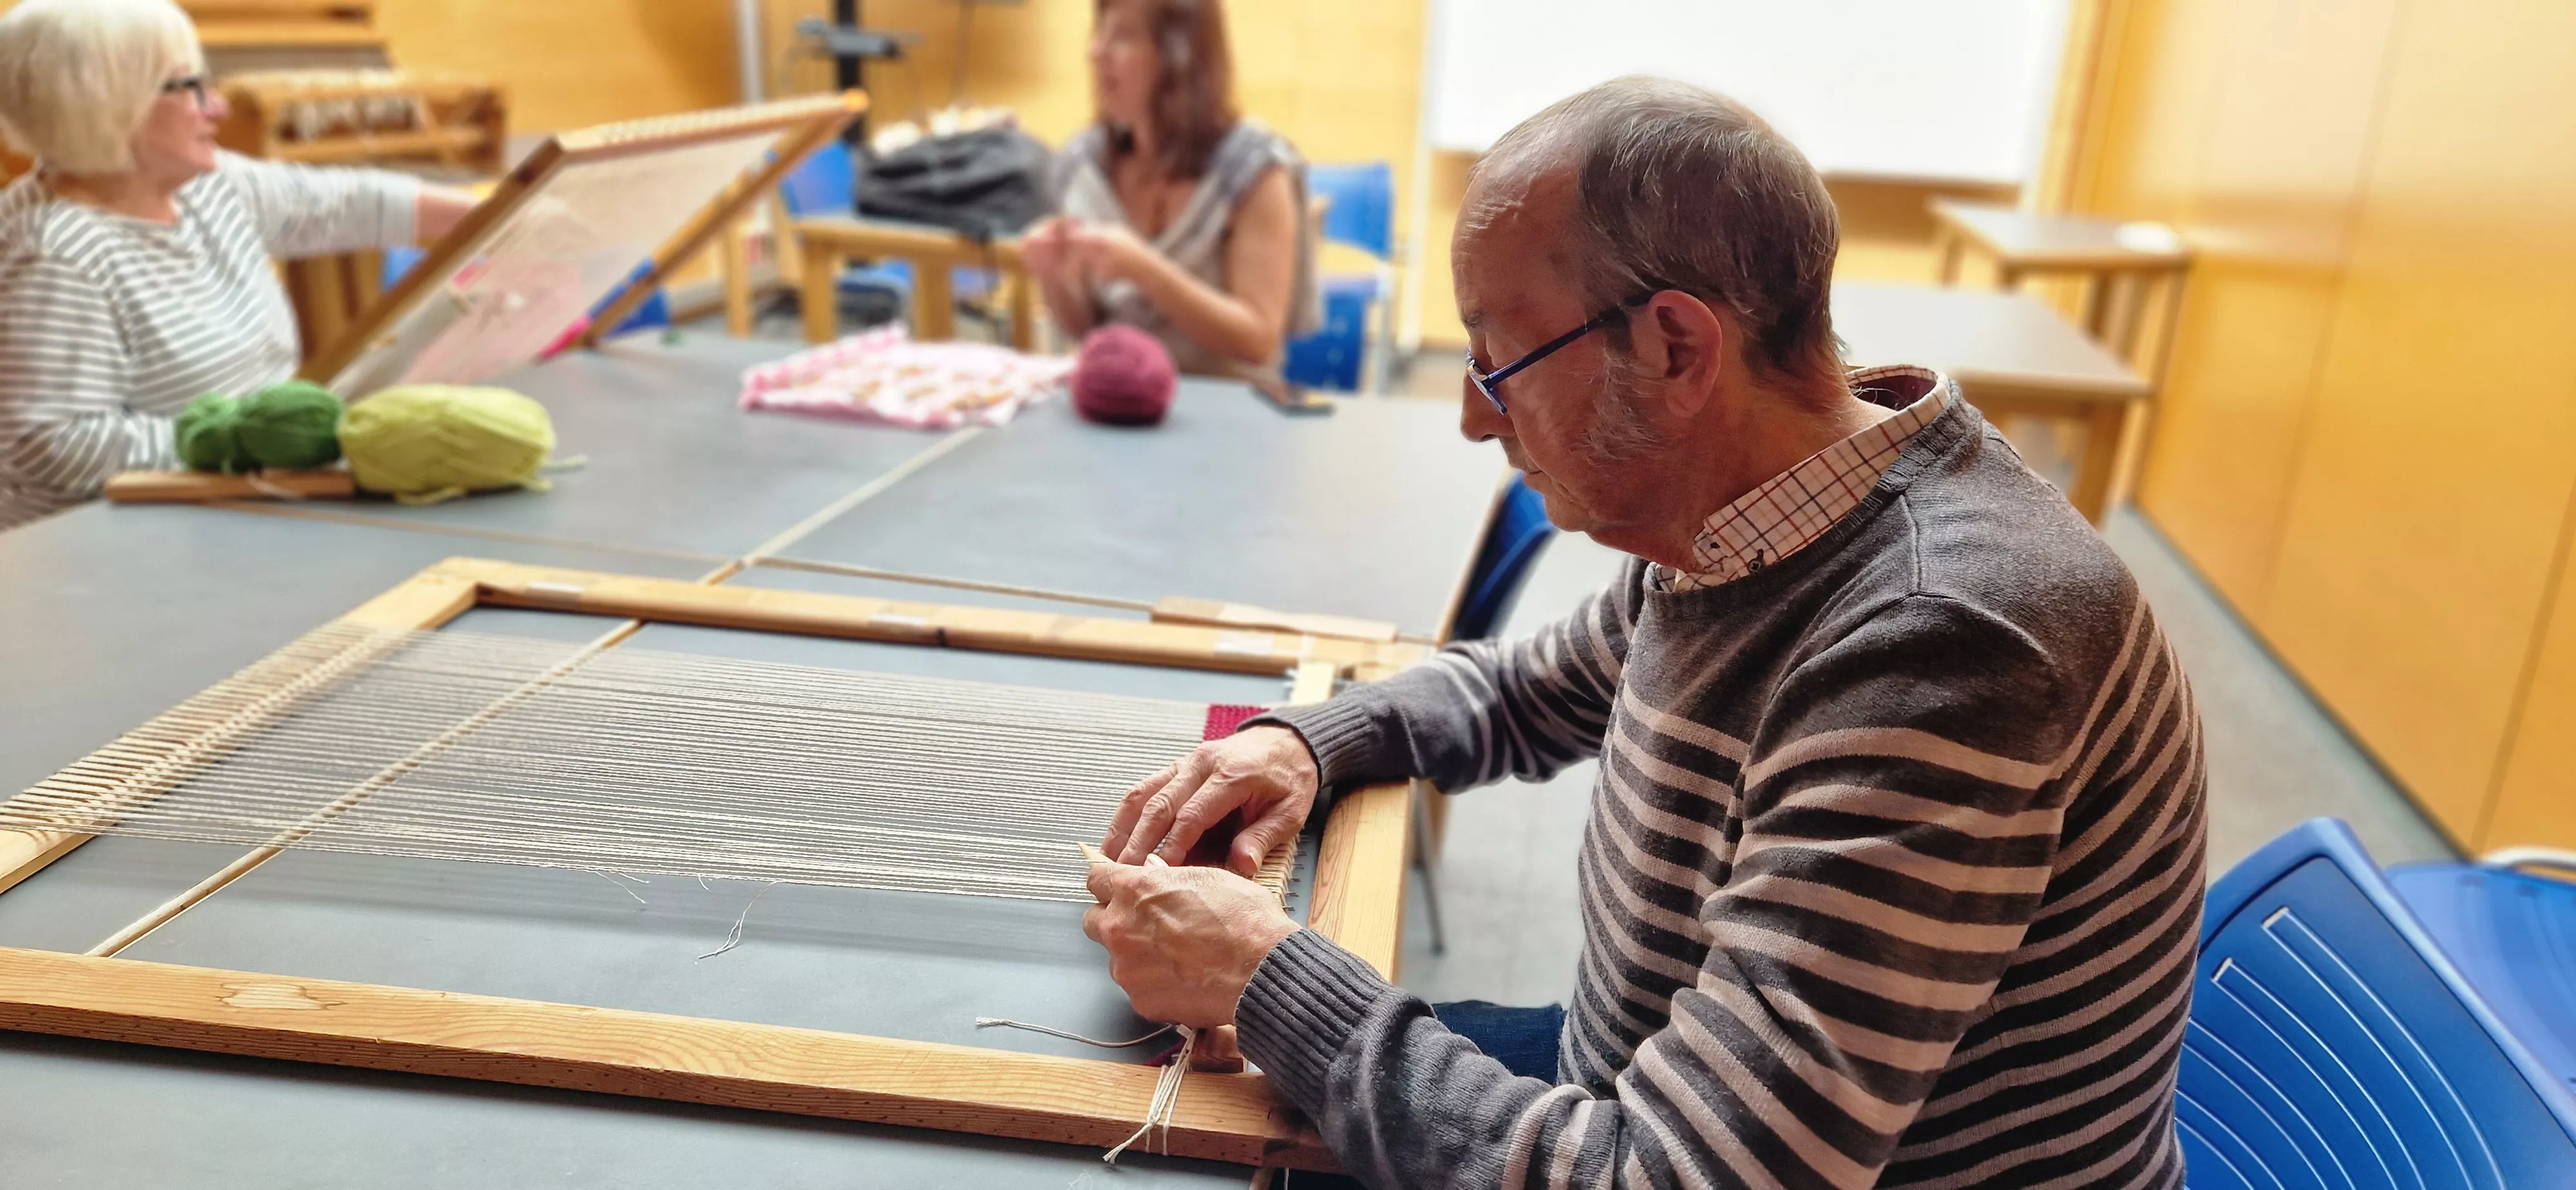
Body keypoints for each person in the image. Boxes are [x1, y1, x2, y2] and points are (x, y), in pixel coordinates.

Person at [1084, 77, 2208, 1189]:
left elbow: (1672, 1176)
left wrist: (1262, 974)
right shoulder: (1758, 517)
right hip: (1647, 1086)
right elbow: (1524, 691)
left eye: (1496, 359)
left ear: (1674, 346)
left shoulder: (1943, 640)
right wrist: (1306, 740)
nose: (1475, 414)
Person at [0, 0, 477, 532]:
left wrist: (499, 212)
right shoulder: (58, 257)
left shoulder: (211, 187)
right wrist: (238, 439)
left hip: (233, 508)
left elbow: (341, 203)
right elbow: (50, 445)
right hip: (114, 546)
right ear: (107, 102)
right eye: (190, 87)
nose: (218, 107)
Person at [1022, 0, 1314, 379]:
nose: (1095, 52)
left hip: (1230, 412)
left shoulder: (1255, 170)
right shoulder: (1085, 166)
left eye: (1123, 36)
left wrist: (1146, 271)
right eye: (1099, 34)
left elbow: (1257, 340)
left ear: (1181, 56)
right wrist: (1051, 276)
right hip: (1125, 403)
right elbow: (1088, 329)